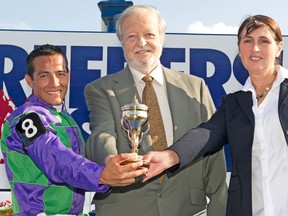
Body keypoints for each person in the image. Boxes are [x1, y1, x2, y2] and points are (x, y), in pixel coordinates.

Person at [84, 5, 227, 216]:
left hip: (186, 208)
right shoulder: (101, 90)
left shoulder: (195, 87)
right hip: (125, 209)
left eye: (149, 34)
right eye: (131, 36)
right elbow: (102, 133)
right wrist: (110, 162)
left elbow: (212, 150)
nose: (141, 43)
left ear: (162, 37)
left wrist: (219, 207)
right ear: (121, 42)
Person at [143, 14, 287, 216]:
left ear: (279, 47)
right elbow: (207, 133)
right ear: (239, 49)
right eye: (248, 41)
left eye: (264, 41)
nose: (255, 49)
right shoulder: (234, 103)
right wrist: (171, 156)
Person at [0, 44, 148, 215]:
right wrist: (102, 175)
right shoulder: (25, 118)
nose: (55, 83)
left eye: (60, 74)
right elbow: (54, 159)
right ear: (29, 80)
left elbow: (75, 164)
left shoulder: (64, 118)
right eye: (44, 76)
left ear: (68, 76)